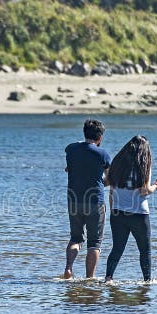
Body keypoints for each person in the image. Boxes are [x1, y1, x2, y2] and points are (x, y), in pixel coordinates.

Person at [105, 135, 157, 284]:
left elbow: (111, 190)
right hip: (139, 214)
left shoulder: (117, 165)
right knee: (145, 251)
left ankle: (108, 278)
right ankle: (146, 282)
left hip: (118, 213)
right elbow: (145, 191)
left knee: (117, 249)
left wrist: (113, 210)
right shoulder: (144, 166)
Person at [63, 119, 112, 280]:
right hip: (95, 201)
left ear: (84, 133)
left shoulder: (71, 149)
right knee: (94, 243)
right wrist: (101, 184)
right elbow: (110, 178)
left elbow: (69, 157)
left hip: (73, 200)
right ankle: (89, 278)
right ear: (100, 137)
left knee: (75, 238)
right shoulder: (102, 154)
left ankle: (68, 269)